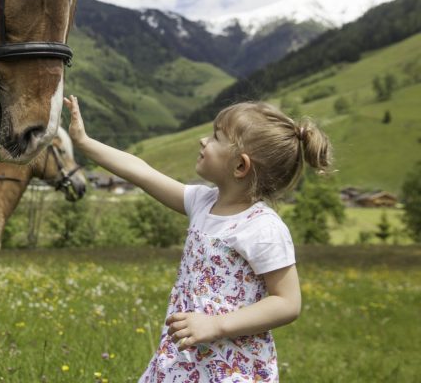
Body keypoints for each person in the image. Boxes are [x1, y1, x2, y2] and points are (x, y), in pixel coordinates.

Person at [63, 96, 332, 382]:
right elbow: (140, 172)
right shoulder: (202, 202)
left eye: (216, 137)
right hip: (184, 360)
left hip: (231, 369)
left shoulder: (262, 228)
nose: (203, 141)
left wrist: (216, 325)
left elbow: (287, 303)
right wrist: (83, 141)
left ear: (240, 167)